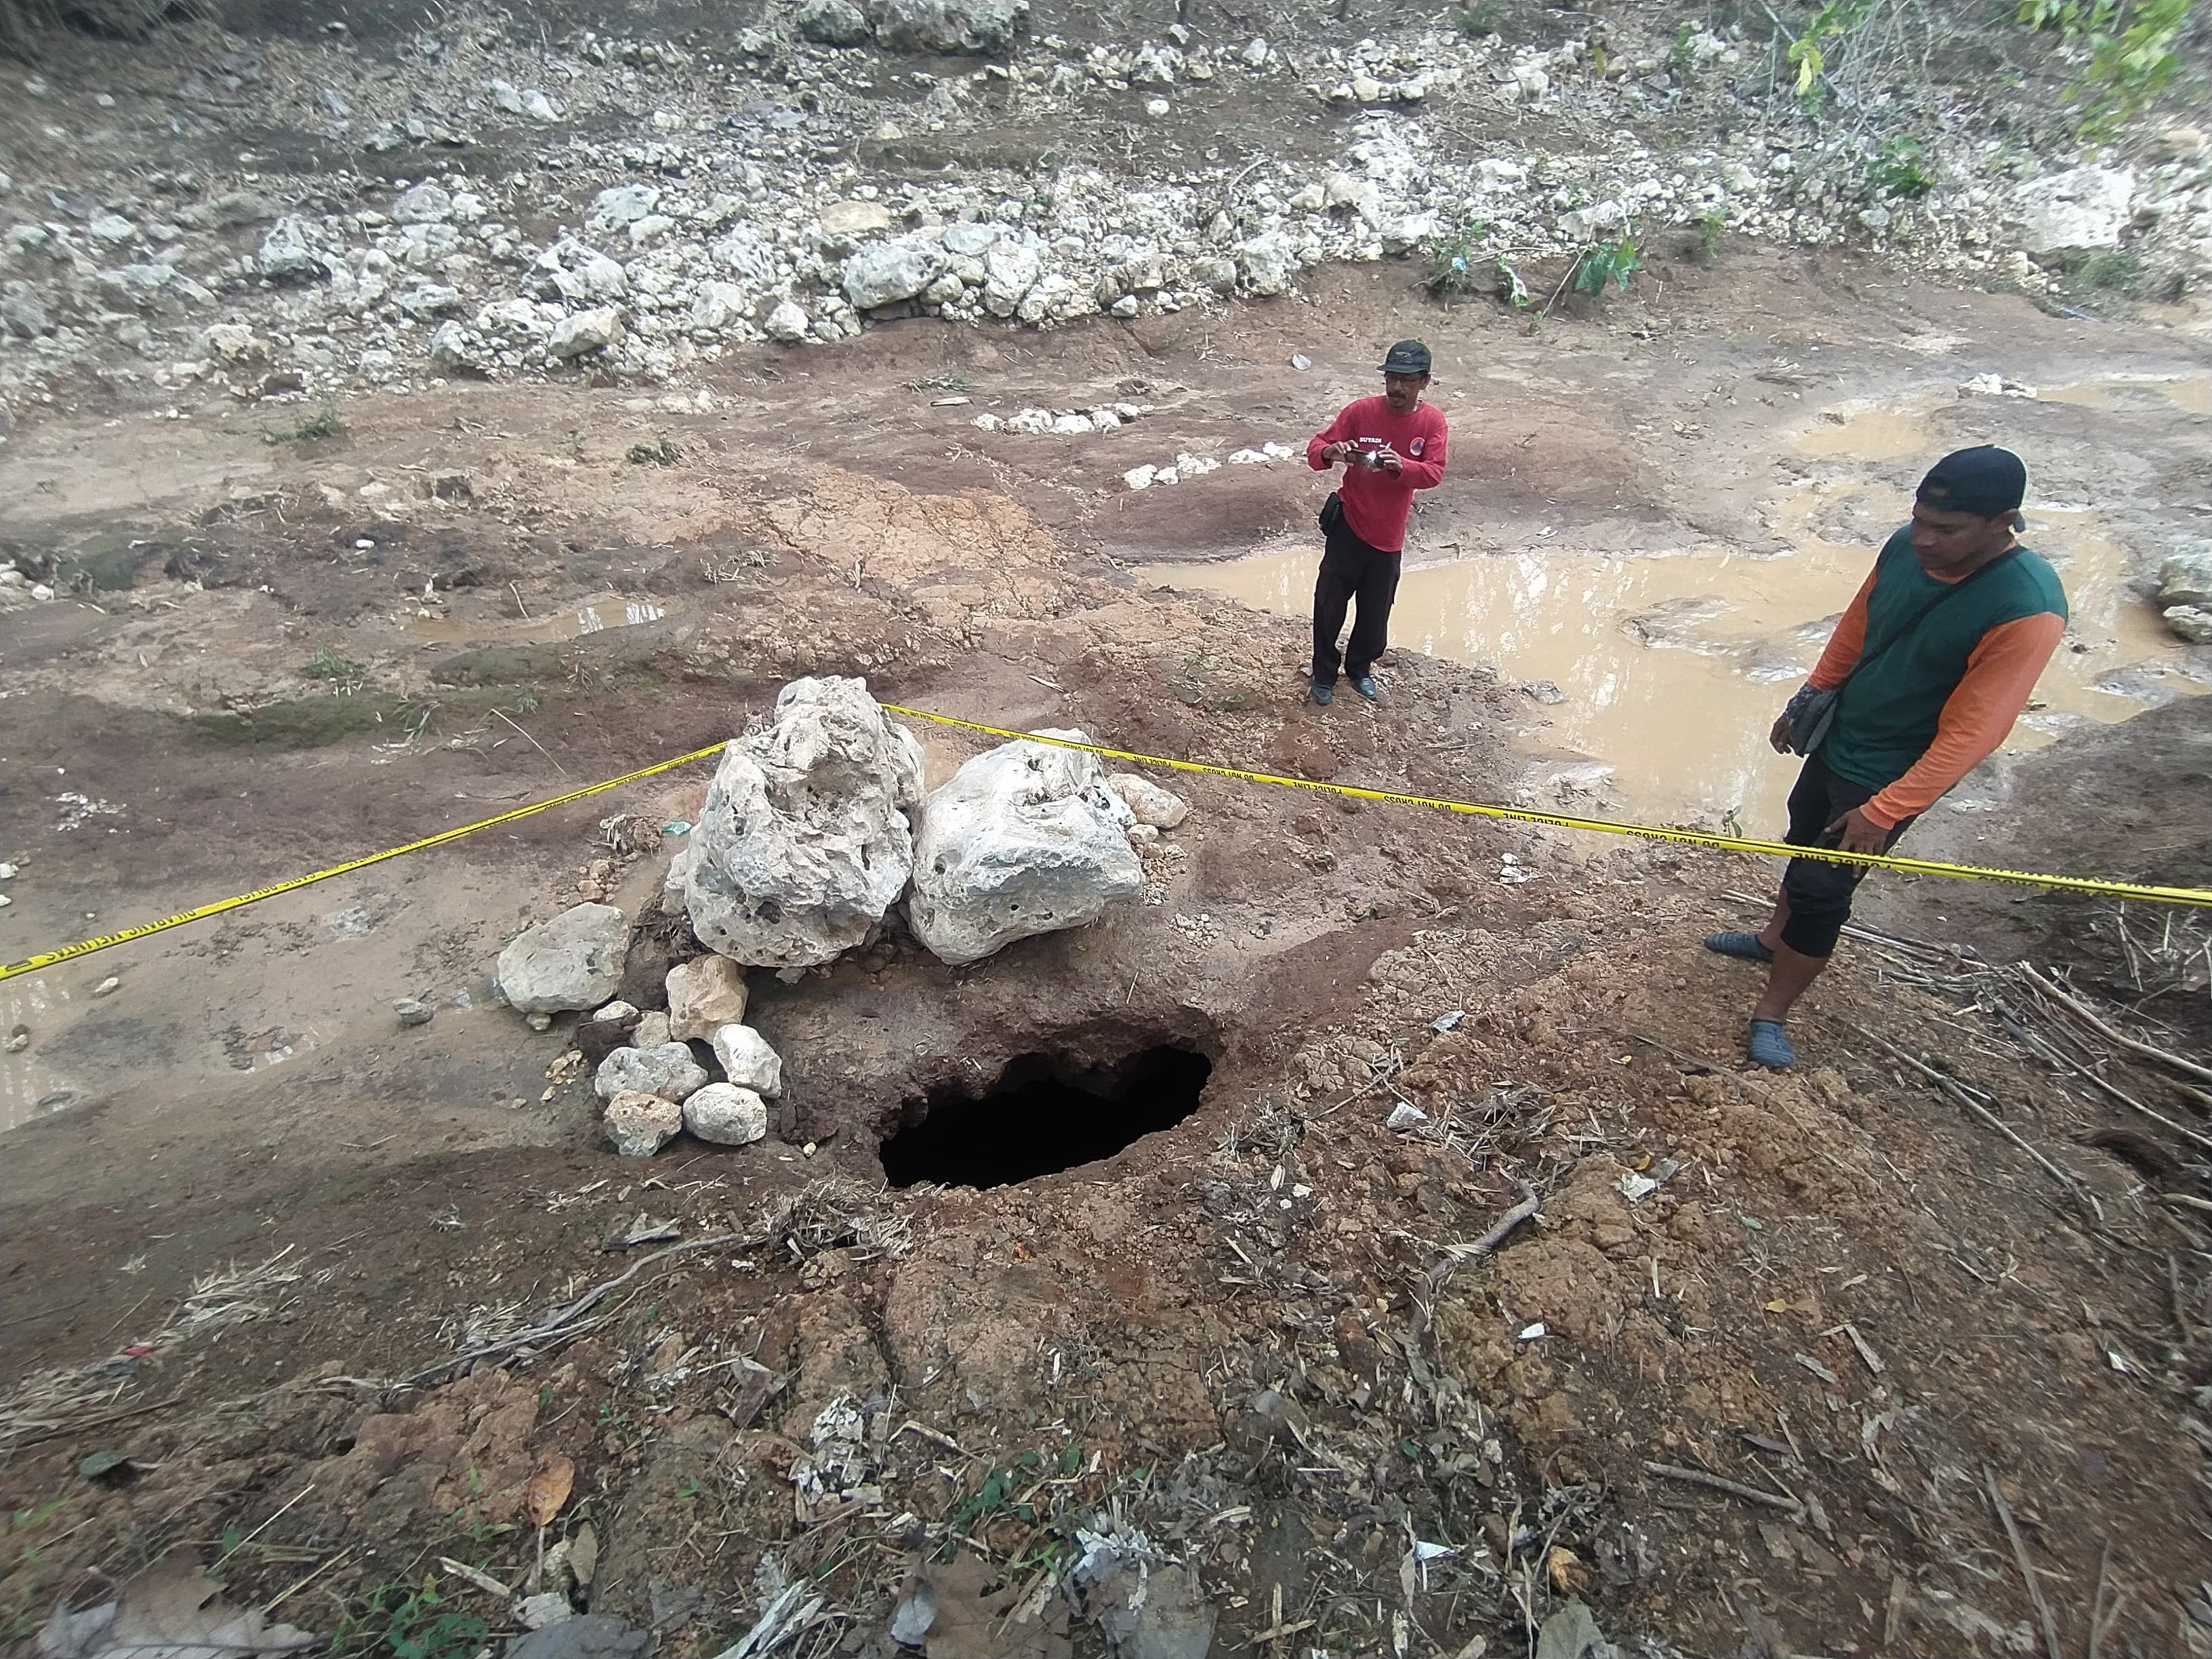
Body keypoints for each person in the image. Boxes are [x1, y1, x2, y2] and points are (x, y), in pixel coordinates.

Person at [1706, 445, 2067, 1069]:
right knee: (1801, 836)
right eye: (1920, 519)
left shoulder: (2027, 608)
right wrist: (1811, 695)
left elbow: (1976, 731)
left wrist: (1886, 809)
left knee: (1824, 894)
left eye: (1945, 530)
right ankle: (1771, 940)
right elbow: (1861, 622)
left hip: (1890, 774)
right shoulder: (1906, 546)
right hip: (1842, 737)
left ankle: (1773, 1011)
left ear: (2003, 521)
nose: (1923, 539)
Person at [1304, 340, 1450, 705]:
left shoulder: (1432, 422)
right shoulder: (1359, 412)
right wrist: (1330, 452)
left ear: (1424, 382)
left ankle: (1359, 669)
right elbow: (1315, 450)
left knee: (1374, 615)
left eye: (1408, 380)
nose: (1398, 388)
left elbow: (1433, 472)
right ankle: (1323, 675)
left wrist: (1403, 467)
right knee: (1328, 606)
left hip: (1388, 539)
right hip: (1348, 527)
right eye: (1392, 379)